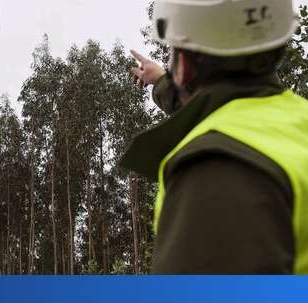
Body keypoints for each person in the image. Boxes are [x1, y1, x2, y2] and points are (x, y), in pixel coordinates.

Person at [124, 0, 308, 273]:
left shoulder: (217, 165)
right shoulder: (295, 119)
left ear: (183, 65)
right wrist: (164, 81)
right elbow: (224, 105)